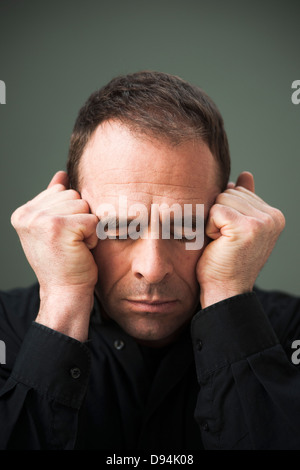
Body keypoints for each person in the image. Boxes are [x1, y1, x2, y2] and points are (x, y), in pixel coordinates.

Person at [0, 71, 299, 451]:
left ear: (228, 214)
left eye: (184, 227)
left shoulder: (290, 334)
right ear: (67, 211)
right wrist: (62, 300)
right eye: (120, 228)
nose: (153, 268)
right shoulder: (5, 331)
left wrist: (226, 293)